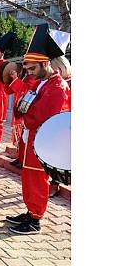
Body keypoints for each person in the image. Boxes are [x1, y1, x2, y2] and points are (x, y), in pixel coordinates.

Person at [6, 24, 70, 235]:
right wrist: (25, 112)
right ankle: (30, 211)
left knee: (37, 178)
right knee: (28, 177)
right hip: (30, 137)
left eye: (33, 69)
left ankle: (35, 219)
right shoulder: (39, 83)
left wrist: (26, 113)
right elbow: (21, 105)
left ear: (45, 64)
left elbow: (42, 115)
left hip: (42, 140)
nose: (30, 74)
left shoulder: (57, 86)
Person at [47, 55, 72, 197]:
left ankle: (55, 182)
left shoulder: (68, 83)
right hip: (59, 123)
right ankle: (54, 181)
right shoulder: (55, 82)